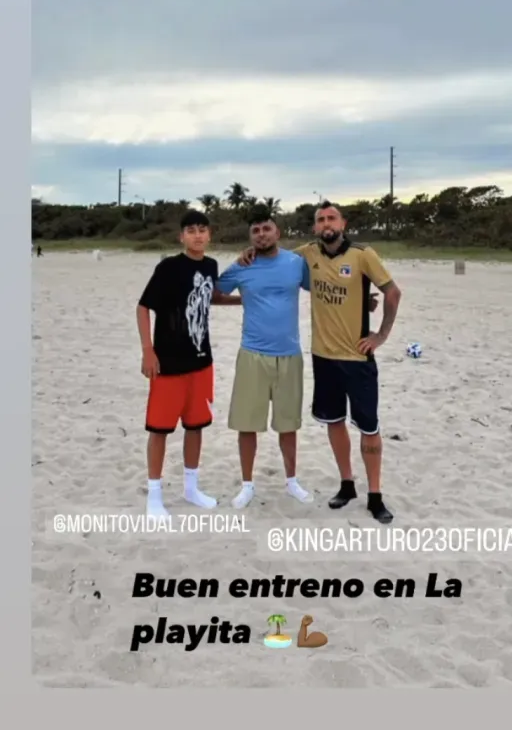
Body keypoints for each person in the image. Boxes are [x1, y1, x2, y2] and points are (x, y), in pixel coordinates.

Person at [239, 201, 401, 524]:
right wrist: (248, 251)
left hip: (357, 357)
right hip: (323, 358)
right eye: (320, 219)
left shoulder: (362, 254)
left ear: (343, 223)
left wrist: (380, 335)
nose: (326, 223)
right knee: (334, 421)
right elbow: (275, 255)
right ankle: (347, 485)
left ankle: (375, 495)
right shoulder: (307, 254)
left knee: (369, 427)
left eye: (332, 218)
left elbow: (393, 293)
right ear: (315, 227)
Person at [137, 209, 241, 517]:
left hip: (201, 361)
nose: (197, 235)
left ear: (209, 235)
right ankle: (154, 494)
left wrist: (244, 298)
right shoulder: (168, 267)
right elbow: (143, 308)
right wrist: (148, 350)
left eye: (202, 229)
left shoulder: (210, 265)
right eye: (191, 230)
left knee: (196, 426)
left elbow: (209, 297)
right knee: (159, 429)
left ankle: (191, 487)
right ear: (182, 236)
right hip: (168, 362)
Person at [216, 208, 313, 509]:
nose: (261, 234)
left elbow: (324, 290)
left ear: (277, 232)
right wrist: (241, 299)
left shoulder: (297, 263)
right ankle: (247, 485)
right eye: (255, 230)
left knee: (288, 425)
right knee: (247, 424)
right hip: (252, 354)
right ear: (250, 237)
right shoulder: (242, 265)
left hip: (289, 354)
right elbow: (214, 294)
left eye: (266, 229)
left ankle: (292, 481)